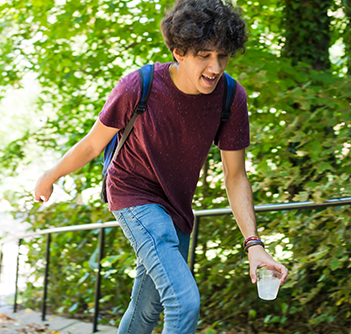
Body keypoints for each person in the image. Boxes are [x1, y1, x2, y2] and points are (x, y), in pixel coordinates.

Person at [34, 0, 289, 333]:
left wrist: (254, 244)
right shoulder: (139, 86)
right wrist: (51, 175)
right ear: (179, 52)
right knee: (183, 302)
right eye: (204, 55)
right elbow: (93, 144)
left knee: (146, 309)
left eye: (222, 55)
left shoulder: (230, 96)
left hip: (177, 207)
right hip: (131, 193)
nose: (215, 67)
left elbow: (235, 175)